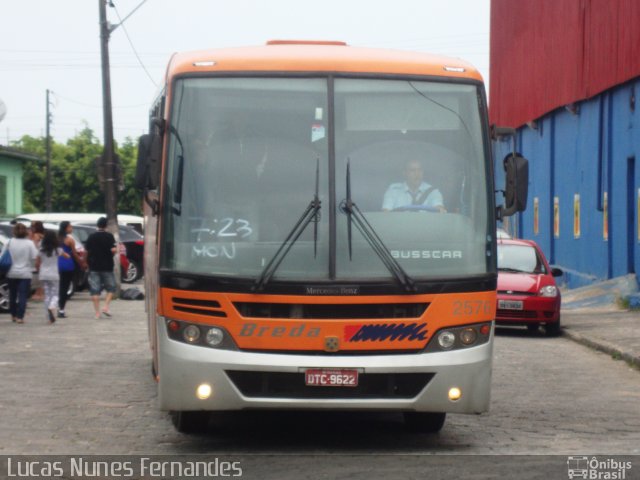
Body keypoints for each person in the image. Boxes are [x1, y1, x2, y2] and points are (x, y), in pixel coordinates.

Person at [3, 223, 38, 324]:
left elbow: (2, 256)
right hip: (25, 273)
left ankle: (13, 315)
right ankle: (20, 317)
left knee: (12, 295)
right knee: (23, 295)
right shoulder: (29, 243)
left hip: (11, 273)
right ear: (26, 232)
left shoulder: (9, 242)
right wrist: (32, 266)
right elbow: (34, 257)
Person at [382, 159, 446, 212]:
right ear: (404, 173)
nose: (417, 174)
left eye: (419, 170)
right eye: (412, 170)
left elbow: (439, 209)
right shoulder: (393, 191)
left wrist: (440, 209)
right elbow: (386, 213)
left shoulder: (433, 191)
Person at [35, 229, 70, 324]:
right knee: (55, 295)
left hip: (43, 274)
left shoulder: (41, 249)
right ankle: (52, 307)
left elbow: (37, 261)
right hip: (54, 274)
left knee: (47, 295)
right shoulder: (57, 249)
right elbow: (67, 256)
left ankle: (49, 318)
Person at [85, 217, 117, 319]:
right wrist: (113, 252)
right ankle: (106, 307)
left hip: (94, 266)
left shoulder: (91, 236)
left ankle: (97, 313)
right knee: (111, 287)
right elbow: (113, 250)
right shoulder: (109, 236)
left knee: (95, 290)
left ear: (97, 225)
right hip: (107, 266)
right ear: (106, 225)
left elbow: (86, 251)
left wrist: (86, 262)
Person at [57, 221, 84, 318]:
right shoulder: (70, 240)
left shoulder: (56, 239)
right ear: (66, 228)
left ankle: (55, 306)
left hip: (57, 264)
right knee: (65, 287)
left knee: (59, 287)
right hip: (67, 264)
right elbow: (75, 254)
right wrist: (82, 263)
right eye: (70, 227)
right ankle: (61, 309)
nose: (71, 228)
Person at [30, 221, 45, 301]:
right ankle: (40, 292)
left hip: (37, 256)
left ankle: (38, 293)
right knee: (40, 275)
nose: (31, 227)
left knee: (37, 274)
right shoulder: (43, 235)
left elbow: (34, 246)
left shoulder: (35, 235)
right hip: (43, 256)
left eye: (32, 226)